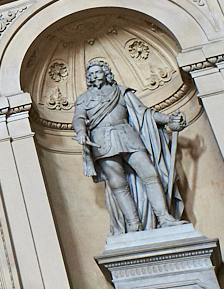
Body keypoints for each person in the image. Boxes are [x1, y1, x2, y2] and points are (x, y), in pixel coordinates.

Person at [72, 58, 187, 235]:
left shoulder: (121, 91)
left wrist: (169, 120)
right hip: (102, 141)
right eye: (91, 73)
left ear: (105, 73)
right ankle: (134, 224)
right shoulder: (83, 99)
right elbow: (78, 118)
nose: (95, 75)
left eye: (98, 71)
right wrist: (81, 131)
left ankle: (164, 218)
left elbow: (144, 113)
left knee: (150, 173)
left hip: (127, 135)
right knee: (117, 183)